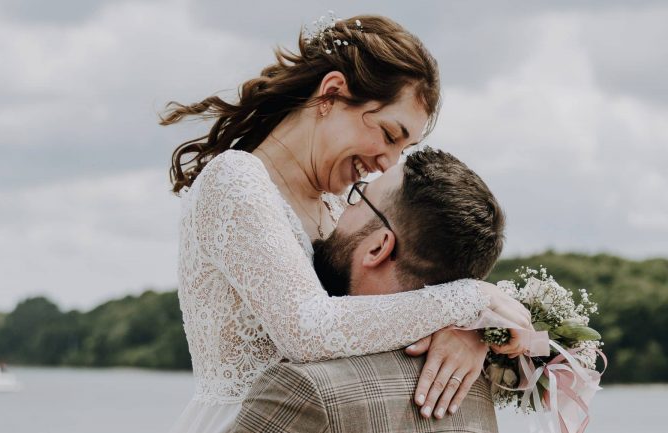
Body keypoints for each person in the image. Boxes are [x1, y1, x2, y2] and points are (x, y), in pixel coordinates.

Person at [161, 14, 530, 433]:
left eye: (405, 147)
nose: (389, 162)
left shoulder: (341, 208)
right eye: (390, 134)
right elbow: (309, 329)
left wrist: (466, 333)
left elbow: (378, 313)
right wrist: (466, 301)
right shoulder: (236, 178)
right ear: (331, 94)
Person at [229, 147, 510, 433]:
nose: (338, 208)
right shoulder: (477, 384)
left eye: (359, 197)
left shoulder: (306, 389)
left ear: (378, 247)